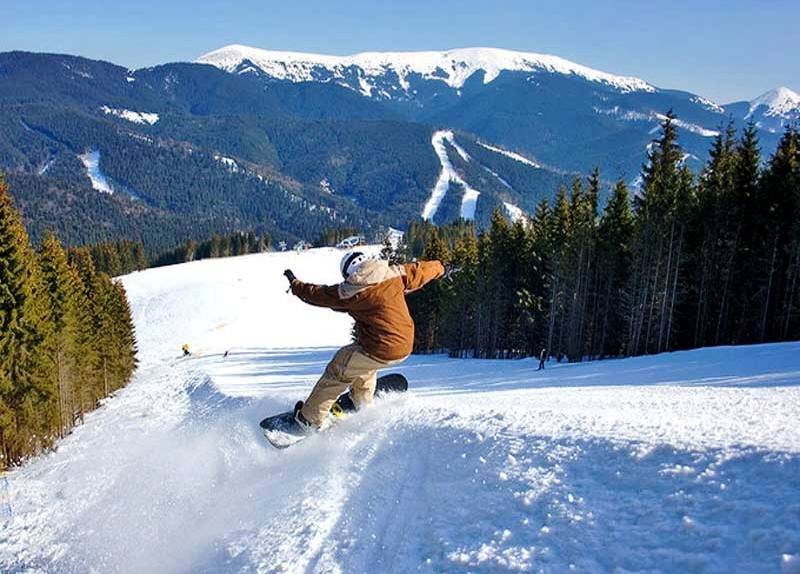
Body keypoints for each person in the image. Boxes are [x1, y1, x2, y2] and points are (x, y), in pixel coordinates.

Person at [284, 251, 445, 429]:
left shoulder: (350, 292)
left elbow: (317, 295)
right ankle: (361, 400)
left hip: (382, 347)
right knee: (361, 359)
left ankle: (309, 419)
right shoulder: (395, 273)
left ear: (349, 273)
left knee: (340, 367)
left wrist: (295, 284)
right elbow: (420, 270)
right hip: (404, 343)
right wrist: (441, 267)